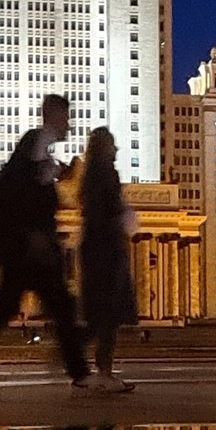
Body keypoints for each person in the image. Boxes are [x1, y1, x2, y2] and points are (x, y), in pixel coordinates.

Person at [0, 93, 106, 399]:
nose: (68, 125)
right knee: (33, 308)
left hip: (31, 248)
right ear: (54, 114)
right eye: (65, 118)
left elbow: (31, 183)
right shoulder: (37, 140)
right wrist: (35, 231)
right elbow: (23, 189)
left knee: (46, 306)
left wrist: (55, 173)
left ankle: (79, 374)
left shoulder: (40, 149)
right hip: (27, 249)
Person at [75, 126, 137, 392]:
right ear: (104, 147)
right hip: (108, 249)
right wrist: (124, 218)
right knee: (109, 313)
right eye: (112, 145)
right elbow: (110, 209)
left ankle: (78, 360)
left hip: (93, 247)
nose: (117, 150)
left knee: (99, 313)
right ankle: (103, 372)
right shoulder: (106, 173)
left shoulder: (88, 176)